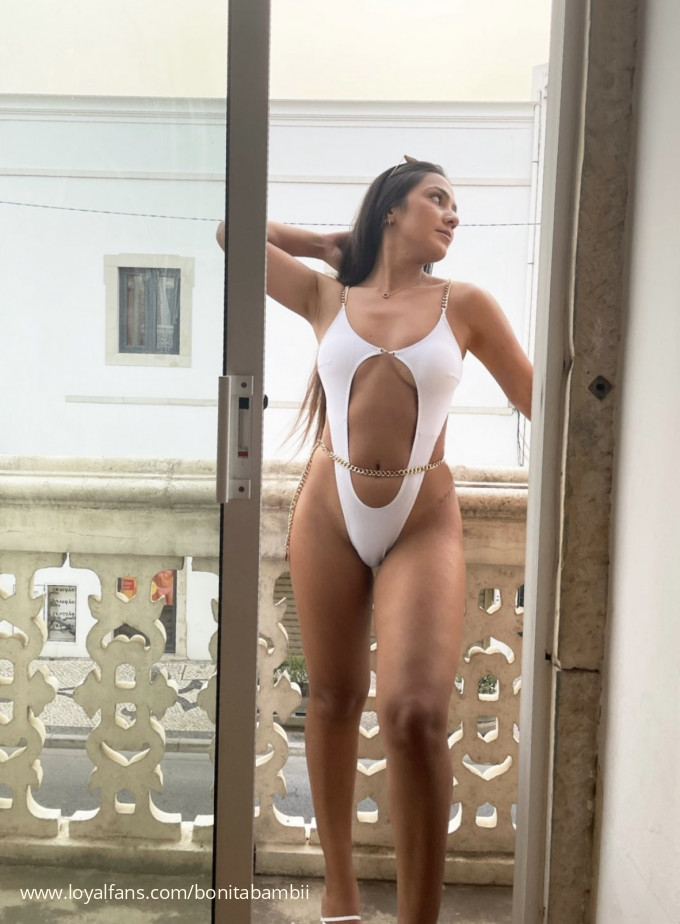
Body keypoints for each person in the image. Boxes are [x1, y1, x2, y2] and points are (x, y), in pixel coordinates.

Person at [217, 158, 532, 924]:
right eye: (437, 198)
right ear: (392, 209)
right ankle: (341, 896)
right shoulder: (328, 295)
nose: (453, 214)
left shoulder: (466, 304)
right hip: (330, 510)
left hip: (423, 515)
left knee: (416, 714)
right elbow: (233, 234)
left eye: (455, 204)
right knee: (330, 698)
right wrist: (329, 245)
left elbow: (540, 400)